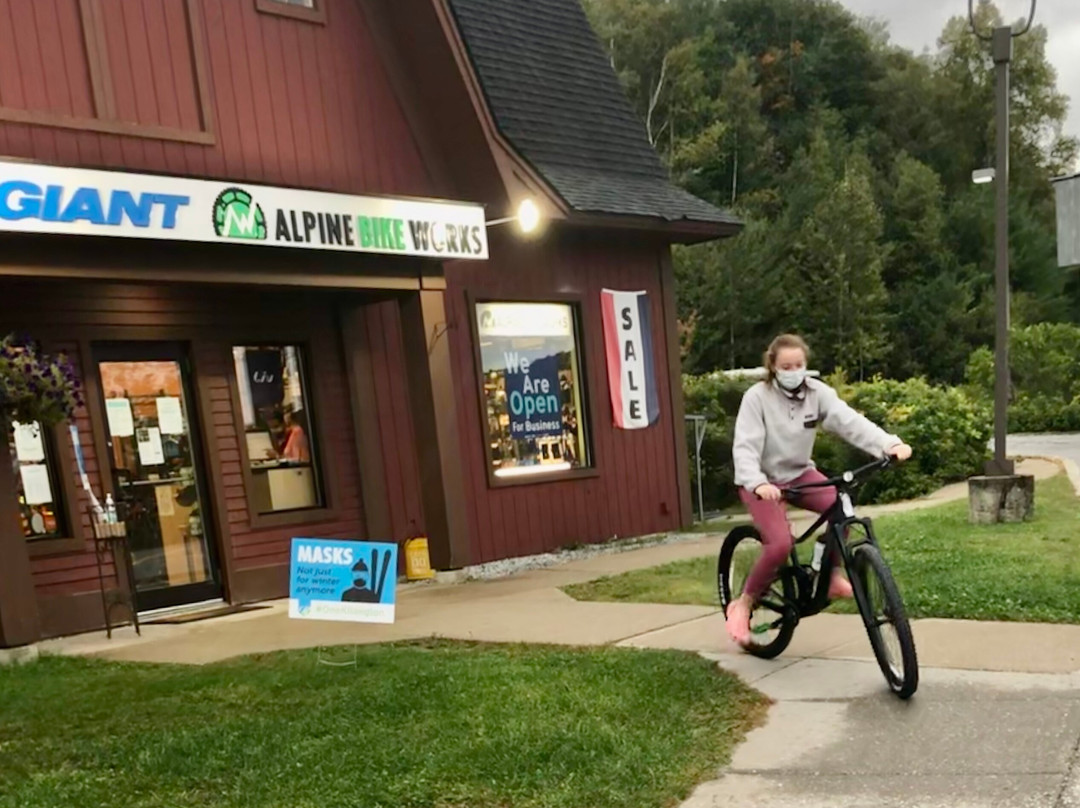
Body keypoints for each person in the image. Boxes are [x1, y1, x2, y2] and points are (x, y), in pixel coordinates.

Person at [726, 334, 913, 646]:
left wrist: (888, 444)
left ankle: (829, 575)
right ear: (773, 365)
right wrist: (758, 482)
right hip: (762, 481)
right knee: (779, 545)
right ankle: (743, 603)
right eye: (786, 365)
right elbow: (745, 446)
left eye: (798, 364)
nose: (793, 370)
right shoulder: (757, 398)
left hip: (800, 475)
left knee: (843, 507)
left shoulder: (817, 394)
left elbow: (850, 422)